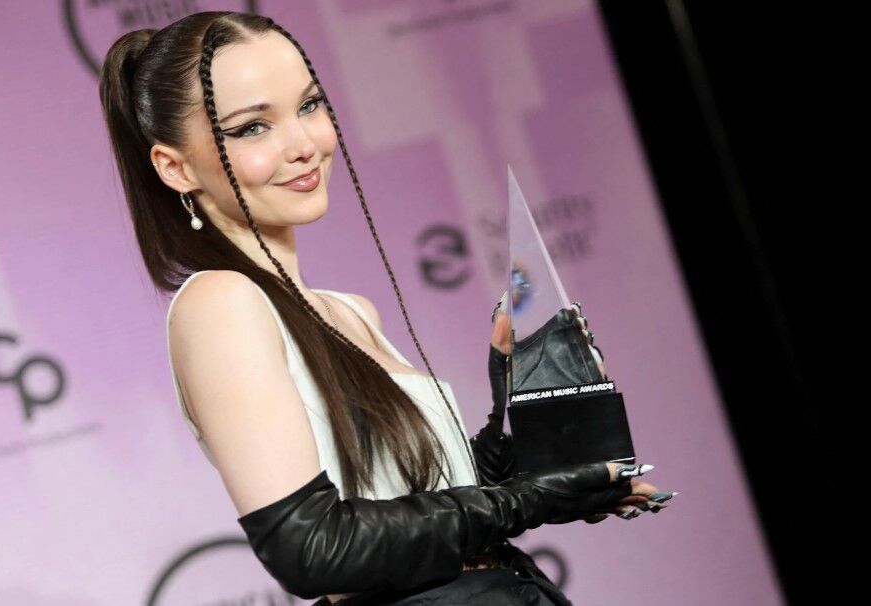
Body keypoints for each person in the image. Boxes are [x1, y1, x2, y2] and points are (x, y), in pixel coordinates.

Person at [98, 11, 675, 605]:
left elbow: (407, 502)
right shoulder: (221, 302)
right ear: (176, 167)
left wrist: (519, 443)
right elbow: (314, 549)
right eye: (251, 128)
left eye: (309, 105)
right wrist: (527, 502)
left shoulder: (350, 312)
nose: (302, 145)